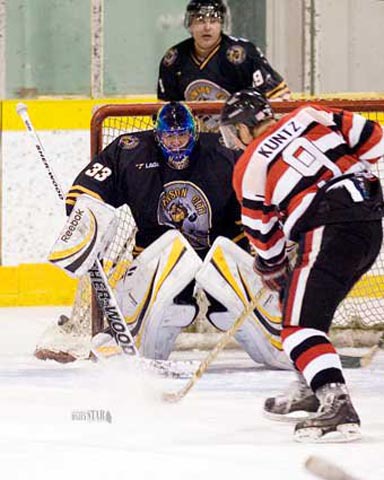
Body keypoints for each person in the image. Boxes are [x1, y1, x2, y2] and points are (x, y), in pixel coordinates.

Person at [58, 101, 291, 370]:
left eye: (182, 135)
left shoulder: (223, 151)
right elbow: (86, 190)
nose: (177, 143)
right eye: (170, 136)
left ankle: (278, 340)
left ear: (194, 133)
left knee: (227, 313)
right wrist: (85, 222)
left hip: (222, 254)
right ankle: (136, 338)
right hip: (159, 257)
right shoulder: (129, 151)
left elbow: (265, 189)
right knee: (175, 310)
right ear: (158, 136)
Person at [219, 88, 384, 442]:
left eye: (234, 132)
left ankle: (336, 402)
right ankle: (310, 385)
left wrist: (272, 266)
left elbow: (262, 234)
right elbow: (374, 138)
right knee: (302, 303)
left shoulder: (249, 165)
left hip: (329, 228)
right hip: (369, 224)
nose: (234, 140)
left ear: (246, 129)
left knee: (297, 325)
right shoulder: (310, 114)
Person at [157, 0, 290, 131]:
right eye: (200, 20)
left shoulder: (244, 54)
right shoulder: (174, 60)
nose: (207, 27)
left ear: (222, 24)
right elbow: (165, 112)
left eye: (214, 21)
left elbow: (280, 96)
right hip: (198, 143)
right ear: (189, 25)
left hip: (240, 140)